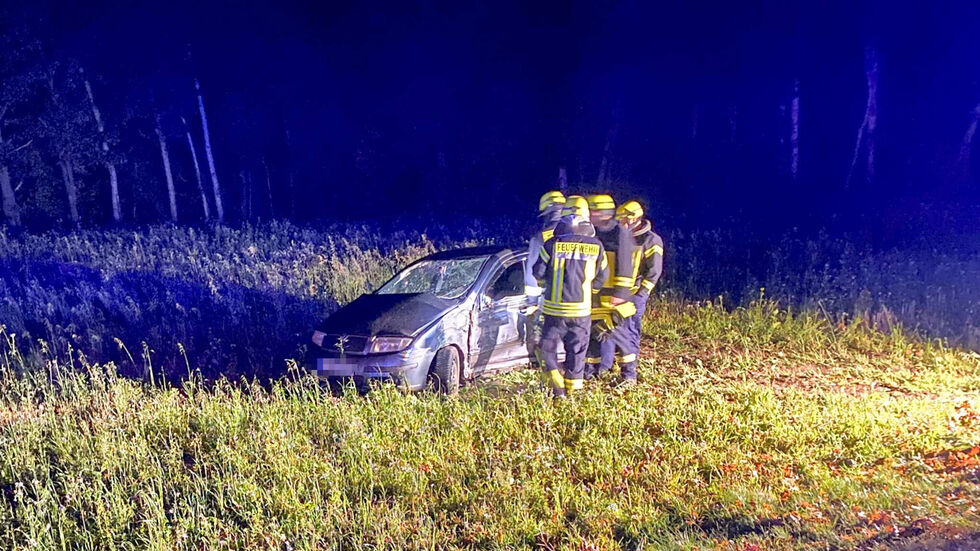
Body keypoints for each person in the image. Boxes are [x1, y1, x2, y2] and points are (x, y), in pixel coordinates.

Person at [533, 196, 608, 397]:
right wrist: (589, 292)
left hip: (554, 311)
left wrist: (546, 286)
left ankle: (557, 387)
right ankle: (573, 395)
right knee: (577, 352)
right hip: (581, 312)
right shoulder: (597, 246)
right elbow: (602, 276)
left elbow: (538, 273)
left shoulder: (551, 244)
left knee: (547, 349)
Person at [585, 194, 641, 382]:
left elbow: (626, 266)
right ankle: (591, 373)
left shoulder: (619, 233)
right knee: (595, 334)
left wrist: (620, 294)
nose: (589, 215)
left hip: (614, 298)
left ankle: (629, 376)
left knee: (620, 336)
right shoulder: (594, 233)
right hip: (596, 295)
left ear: (602, 213)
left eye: (592, 211)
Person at [616, 200, 664, 376]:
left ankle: (630, 372)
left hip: (635, 294)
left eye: (624, 220)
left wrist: (641, 293)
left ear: (634, 219)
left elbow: (654, 271)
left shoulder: (651, 240)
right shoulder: (621, 237)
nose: (621, 223)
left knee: (630, 332)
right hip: (619, 293)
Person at [523, 191, 566, 370]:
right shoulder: (583, 237)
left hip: (549, 299)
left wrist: (532, 302)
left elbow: (533, 273)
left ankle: (546, 371)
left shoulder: (541, 237)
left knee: (545, 340)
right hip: (578, 301)